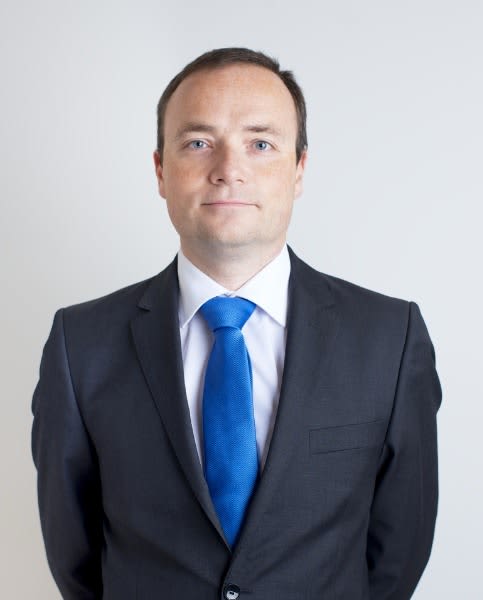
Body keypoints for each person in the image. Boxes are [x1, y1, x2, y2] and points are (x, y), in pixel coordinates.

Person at [31, 47, 442, 600]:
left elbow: (398, 554)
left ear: (299, 169)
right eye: (199, 143)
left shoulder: (389, 340)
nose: (229, 169)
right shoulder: (80, 346)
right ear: (160, 170)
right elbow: (75, 559)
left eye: (260, 144)